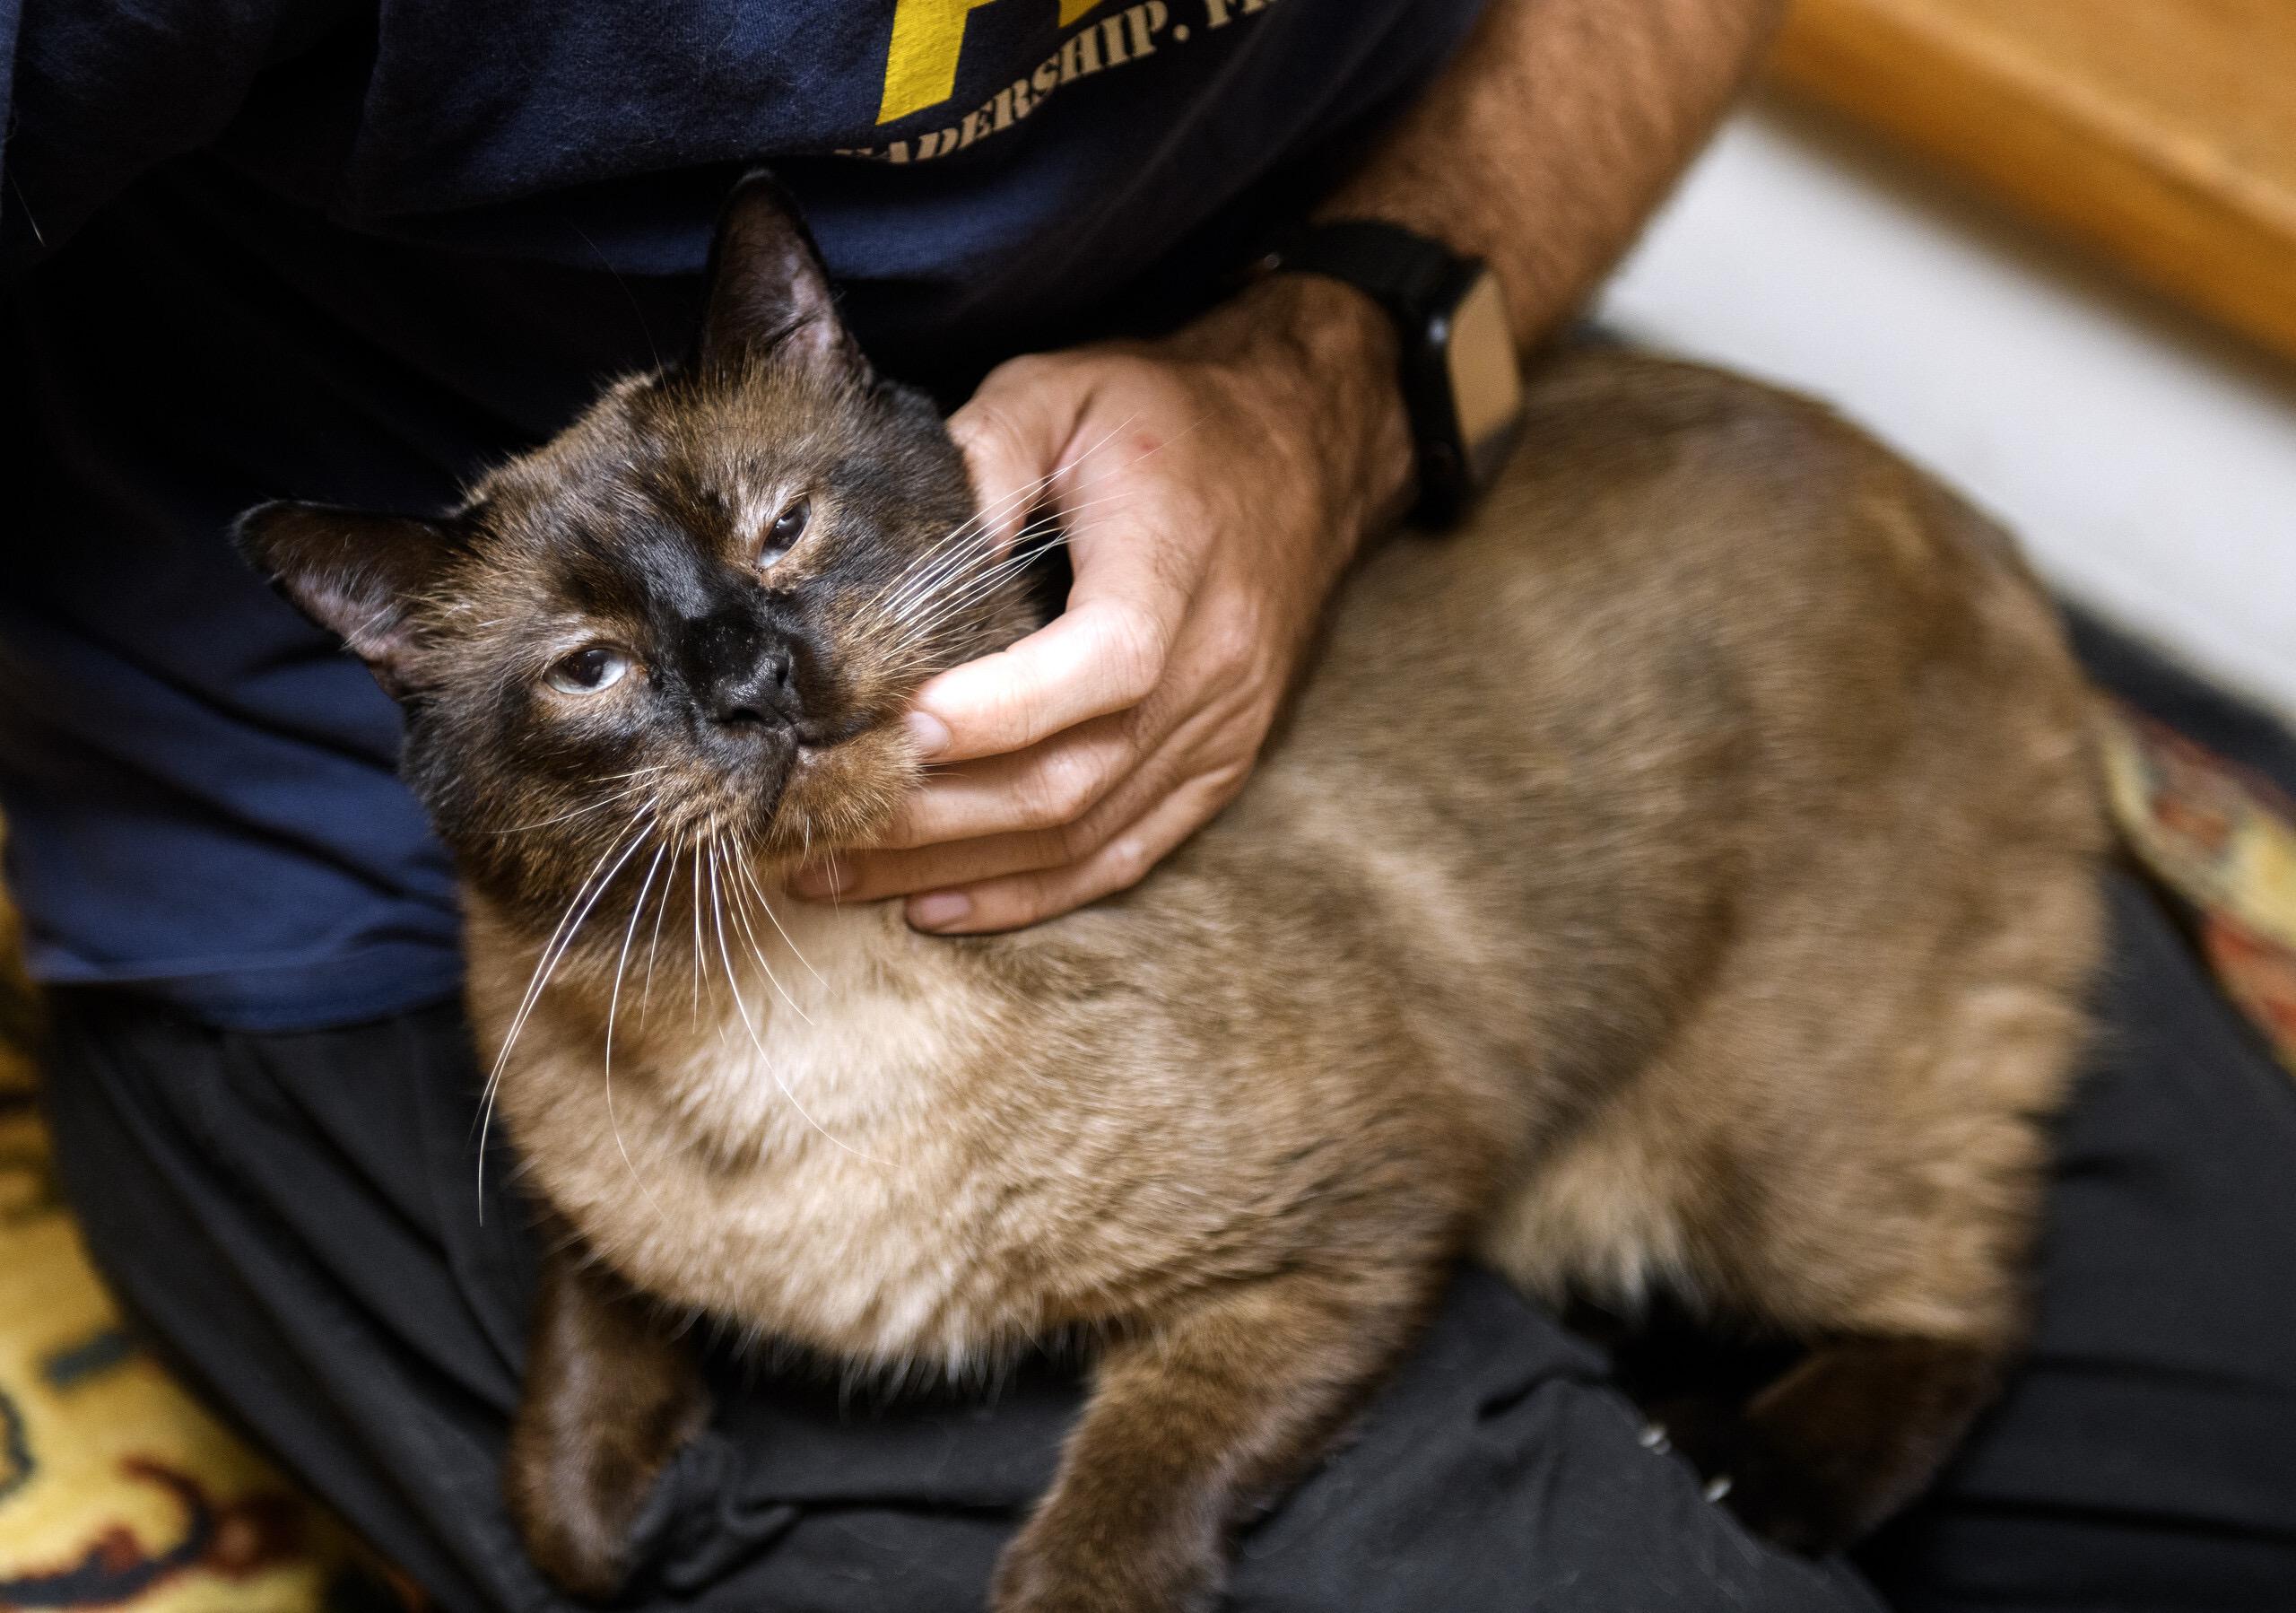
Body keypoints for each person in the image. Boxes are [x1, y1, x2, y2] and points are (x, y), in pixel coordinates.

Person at [2, 1, 2291, 1609]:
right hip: (341, 887)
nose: (742, 677)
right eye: (637, 660)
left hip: (1337, 508)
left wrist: (1346, 375)